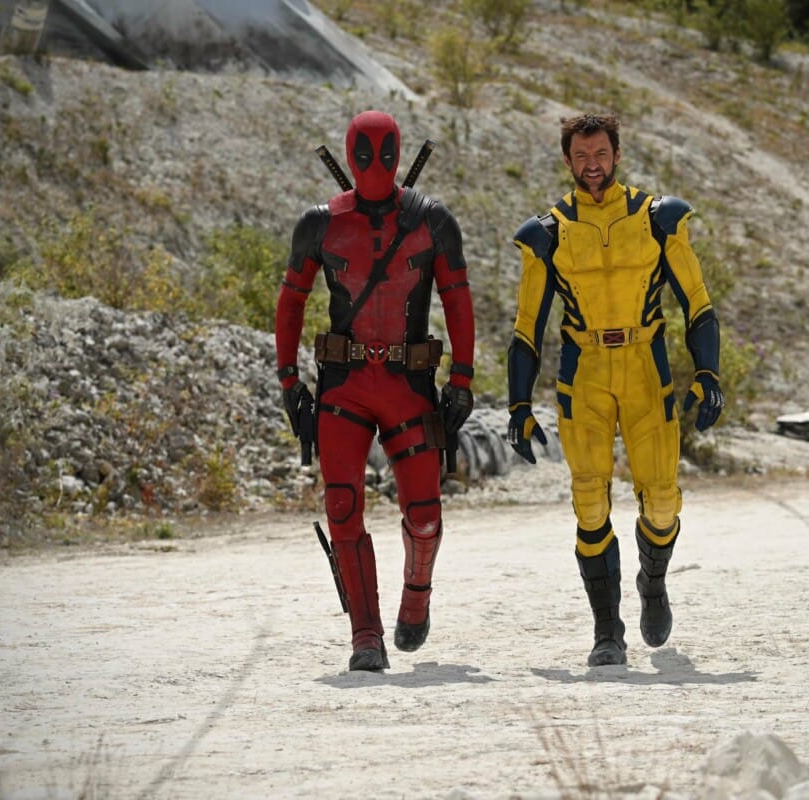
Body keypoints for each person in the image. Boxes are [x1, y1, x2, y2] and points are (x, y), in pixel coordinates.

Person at [507, 113, 723, 667]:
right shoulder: (547, 233)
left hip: (646, 364)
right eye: (581, 156)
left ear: (617, 154)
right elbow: (527, 327)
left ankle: (653, 583)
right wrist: (518, 403)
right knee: (588, 501)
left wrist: (708, 374)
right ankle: (607, 631)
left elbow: (697, 303)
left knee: (663, 500)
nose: (592, 164)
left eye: (600, 153)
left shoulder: (659, 219)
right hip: (584, 371)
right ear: (567, 160)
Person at [275, 110, 475, 671]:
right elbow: (290, 301)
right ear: (349, 154)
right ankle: (366, 636)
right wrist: (288, 380)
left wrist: (462, 379)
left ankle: (416, 598)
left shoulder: (433, 221)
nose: (374, 164)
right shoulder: (319, 225)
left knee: (425, 513)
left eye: (384, 153)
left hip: (409, 386)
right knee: (341, 506)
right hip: (344, 388)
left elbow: (458, 299)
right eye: (364, 154)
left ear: (398, 153)